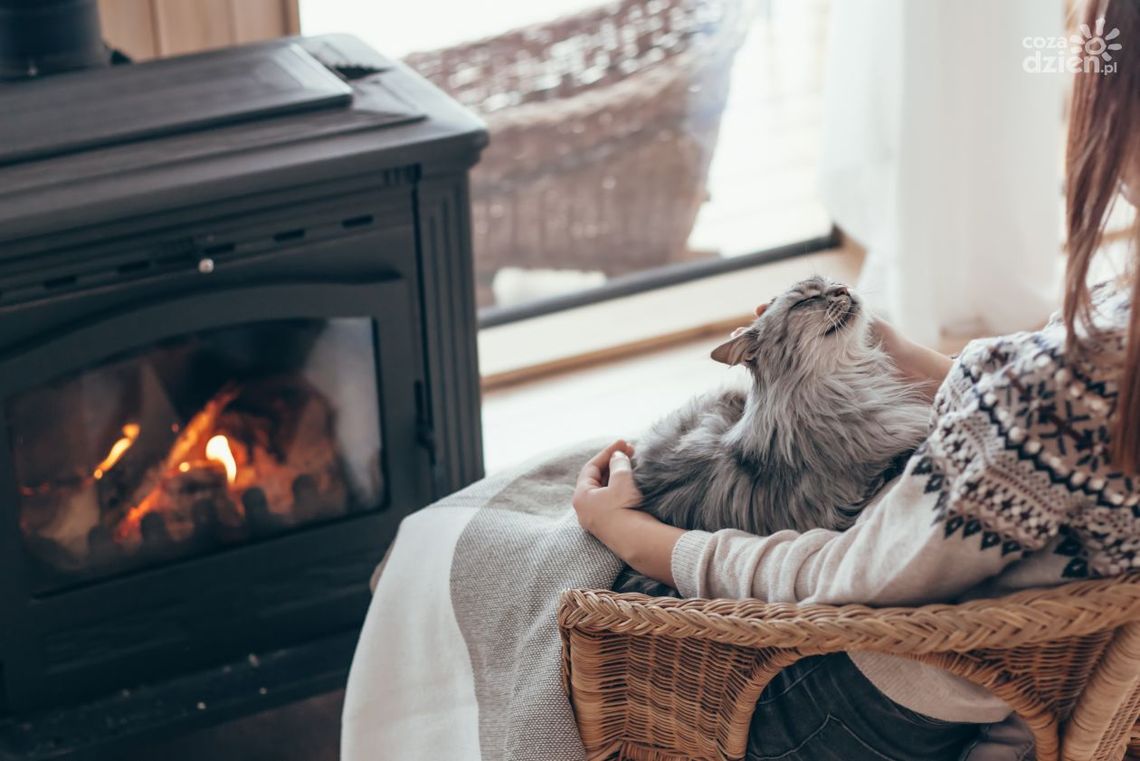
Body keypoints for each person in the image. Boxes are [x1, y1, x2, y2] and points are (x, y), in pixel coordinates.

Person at [571, 2, 1140, 758]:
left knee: (553, 588)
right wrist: (921, 363)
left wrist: (641, 540)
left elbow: (845, 576)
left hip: (885, 707)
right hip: (1069, 689)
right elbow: (1057, 442)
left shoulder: (1050, 392)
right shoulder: (1094, 359)